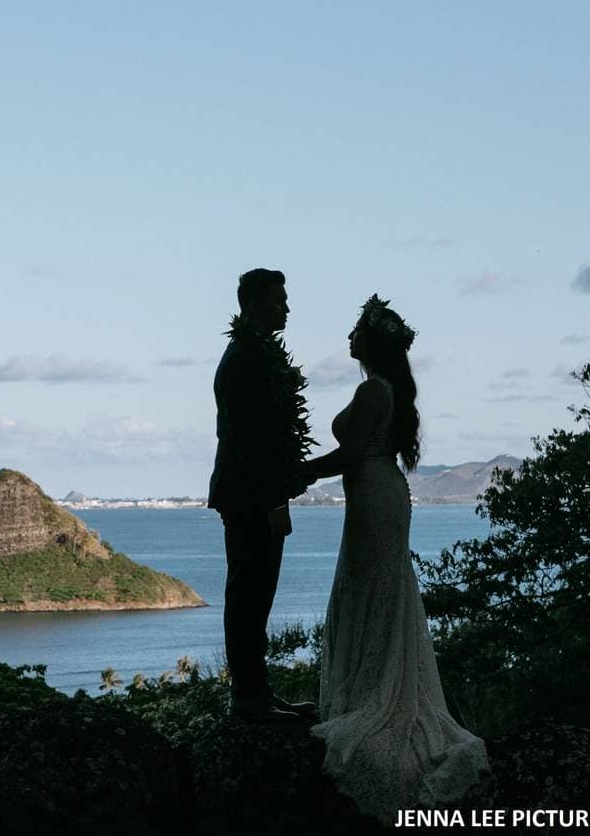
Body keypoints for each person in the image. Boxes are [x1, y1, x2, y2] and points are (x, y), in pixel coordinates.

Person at [302, 295, 489, 821]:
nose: (349, 338)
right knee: (377, 586)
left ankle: (373, 701)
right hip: (378, 495)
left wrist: (298, 473)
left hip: (374, 498)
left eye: (356, 330)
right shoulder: (388, 390)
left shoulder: (371, 390)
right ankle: (370, 689)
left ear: (373, 342)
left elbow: (350, 455)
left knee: (372, 587)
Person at [208, 269, 316, 722]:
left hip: (253, 494)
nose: (287, 308)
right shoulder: (246, 358)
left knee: (257, 597)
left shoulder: (254, 353)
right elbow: (251, 442)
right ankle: (249, 698)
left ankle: (259, 692)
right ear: (252, 305)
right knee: (248, 597)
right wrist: (275, 502)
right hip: (249, 497)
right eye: (278, 301)